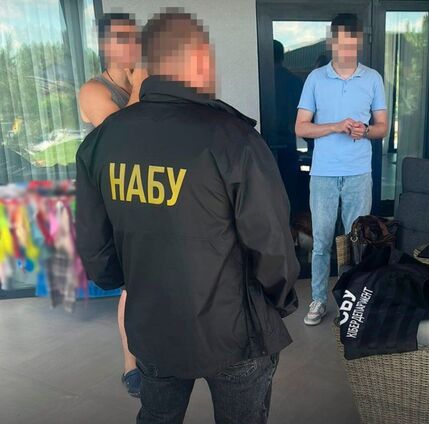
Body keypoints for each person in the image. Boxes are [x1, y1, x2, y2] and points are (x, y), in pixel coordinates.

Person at [75, 9, 299, 424]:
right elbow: (272, 243)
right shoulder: (234, 138)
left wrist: (135, 286)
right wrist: (280, 301)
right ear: (195, 59)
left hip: (153, 323)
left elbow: (95, 249)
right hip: (233, 331)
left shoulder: (102, 142)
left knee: (158, 416)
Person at [295, 13, 388, 326]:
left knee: (357, 242)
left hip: (359, 173)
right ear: (331, 42)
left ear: (358, 42)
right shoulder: (316, 78)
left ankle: (353, 302)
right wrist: (335, 126)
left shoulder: (373, 78)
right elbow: (301, 127)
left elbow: (382, 127)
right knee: (321, 242)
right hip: (323, 173)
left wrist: (366, 130)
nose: (346, 51)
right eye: (341, 44)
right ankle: (318, 300)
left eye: (352, 45)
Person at [77, 12, 146, 398]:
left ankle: (160, 350)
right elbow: (123, 136)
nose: (132, 45)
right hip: (115, 195)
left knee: (156, 274)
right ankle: (130, 365)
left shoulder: (143, 81)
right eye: (122, 38)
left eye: (134, 37)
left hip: (149, 190)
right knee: (131, 283)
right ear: (105, 46)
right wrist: (141, 83)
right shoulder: (93, 90)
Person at [273, 40, 304, 216]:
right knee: (290, 190)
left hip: (266, 144)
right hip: (289, 144)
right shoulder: (295, 82)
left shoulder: (259, 79)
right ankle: (293, 225)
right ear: (282, 57)